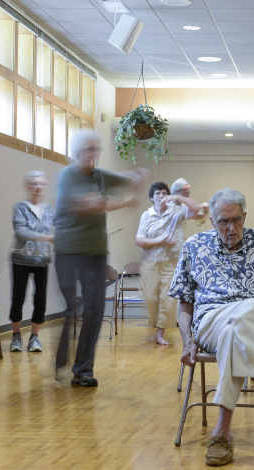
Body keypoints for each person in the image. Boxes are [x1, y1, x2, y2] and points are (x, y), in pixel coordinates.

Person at [169, 188, 254, 466]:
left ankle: (222, 432)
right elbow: (183, 304)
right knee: (247, 313)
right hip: (211, 322)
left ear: (245, 216)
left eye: (236, 220)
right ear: (212, 221)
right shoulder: (194, 246)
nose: (231, 228)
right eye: (223, 221)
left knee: (246, 315)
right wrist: (187, 340)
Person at [53, 129, 144, 387]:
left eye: (95, 150)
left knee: (94, 310)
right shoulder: (69, 176)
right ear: (76, 153)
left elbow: (122, 179)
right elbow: (89, 204)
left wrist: (136, 177)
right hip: (68, 252)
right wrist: (125, 203)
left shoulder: (99, 175)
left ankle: (83, 370)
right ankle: (61, 360)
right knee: (73, 308)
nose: (92, 154)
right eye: (87, 150)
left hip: (94, 253)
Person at [135, 179, 208, 346]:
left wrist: (178, 197)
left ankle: (161, 333)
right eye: (157, 194)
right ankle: (154, 326)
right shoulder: (147, 215)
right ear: (152, 198)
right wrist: (160, 240)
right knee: (151, 298)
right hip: (150, 263)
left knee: (167, 300)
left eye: (164, 193)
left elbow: (196, 210)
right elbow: (139, 240)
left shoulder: (176, 211)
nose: (161, 196)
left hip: (170, 263)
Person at [9, 170, 54, 353]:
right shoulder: (20, 207)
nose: (37, 187)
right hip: (21, 259)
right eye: (34, 183)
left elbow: (57, 229)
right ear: (28, 186)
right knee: (18, 298)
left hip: (41, 261)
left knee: (40, 299)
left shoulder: (50, 210)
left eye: (41, 184)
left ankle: (35, 337)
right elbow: (21, 232)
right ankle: (16, 336)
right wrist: (45, 238)